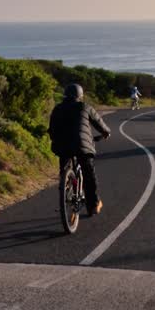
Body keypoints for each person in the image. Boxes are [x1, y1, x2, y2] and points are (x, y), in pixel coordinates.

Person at [48, 83, 111, 215]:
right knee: (89, 175)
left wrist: (56, 140)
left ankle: (65, 190)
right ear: (80, 96)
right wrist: (106, 132)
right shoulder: (85, 107)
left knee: (64, 170)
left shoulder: (57, 108)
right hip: (82, 145)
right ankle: (93, 204)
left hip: (62, 146)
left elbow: (52, 129)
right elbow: (98, 122)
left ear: (65, 95)